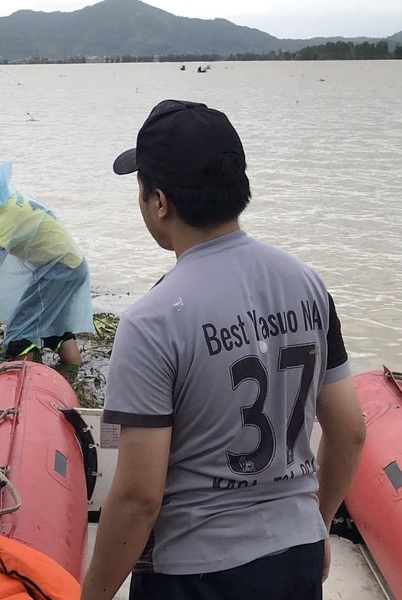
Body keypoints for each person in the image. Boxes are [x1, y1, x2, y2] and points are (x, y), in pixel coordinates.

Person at [80, 100, 366, 600]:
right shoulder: (307, 284)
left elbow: (138, 497)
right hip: (296, 558)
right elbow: (350, 431)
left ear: (160, 201)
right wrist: (316, 525)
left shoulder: (152, 320)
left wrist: (93, 595)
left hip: (195, 574)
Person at [0, 161, 93, 366]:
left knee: (19, 332)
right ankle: (72, 374)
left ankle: (23, 386)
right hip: (65, 264)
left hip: (61, 268)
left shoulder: (4, 214)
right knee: (55, 327)